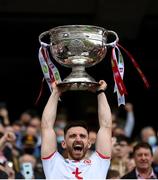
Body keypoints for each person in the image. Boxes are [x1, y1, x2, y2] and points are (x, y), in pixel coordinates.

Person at [41, 80, 112, 179]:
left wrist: (100, 92)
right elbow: (46, 127)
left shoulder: (99, 164)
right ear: (63, 144)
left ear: (89, 143)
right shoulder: (53, 164)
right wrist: (56, 92)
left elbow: (106, 127)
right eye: (72, 136)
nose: (78, 139)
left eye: (82, 136)